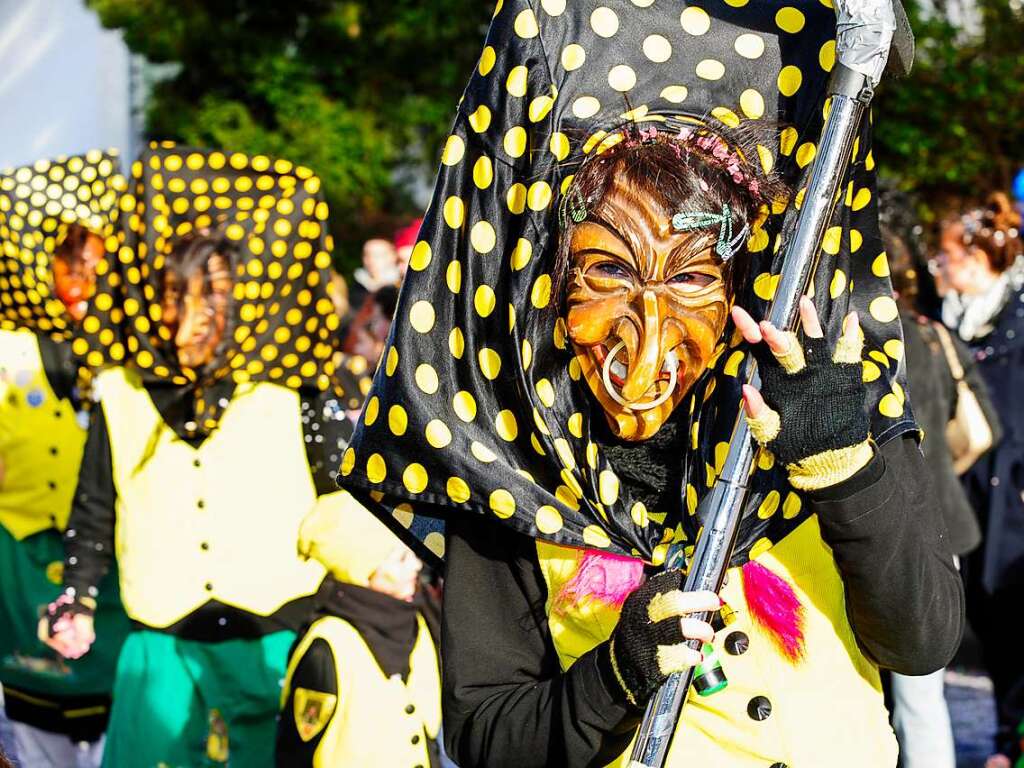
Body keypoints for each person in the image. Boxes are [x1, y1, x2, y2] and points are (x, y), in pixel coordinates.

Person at [339, 3, 964, 767]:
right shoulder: (511, 463)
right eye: (606, 272)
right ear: (552, 282)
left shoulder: (818, 399)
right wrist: (613, 675)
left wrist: (841, 468)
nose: (645, 346)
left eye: (695, 278)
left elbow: (923, 638)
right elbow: (486, 735)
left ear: (739, 288)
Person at [41, 145, 358, 768]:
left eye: (211, 299)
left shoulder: (294, 388)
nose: (190, 321)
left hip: (277, 643)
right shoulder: (120, 391)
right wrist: (76, 595)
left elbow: (338, 508)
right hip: (161, 650)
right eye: (174, 297)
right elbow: (95, 506)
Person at [0, 151, 131, 768]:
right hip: (21, 557)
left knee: (113, 716)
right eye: (70, 268)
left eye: (96, 268)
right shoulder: (8, 349)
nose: (83, 287)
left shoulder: (127, 350)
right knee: (32, 714)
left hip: (107, 565)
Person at [883, 218, 1000, 768]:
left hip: (876, 522)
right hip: (939, 526)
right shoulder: (934, 334)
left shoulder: (861, 338)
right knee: (922, 693)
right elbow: (988, 428)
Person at [938, 193, 1024, 768]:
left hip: (1015, 484)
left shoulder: (1017, 316)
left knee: (1013, 609)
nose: (938, 267)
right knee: (985, 614)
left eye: (946, 256)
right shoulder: (945, 317)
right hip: (966, 483)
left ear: (973, 257)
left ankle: (1010, 738)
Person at [275, 492, 441, 767]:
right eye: (400, 559)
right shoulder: (326, 648)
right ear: (364, 571)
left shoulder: (416, 621)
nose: (416, 565)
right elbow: (295, 755)